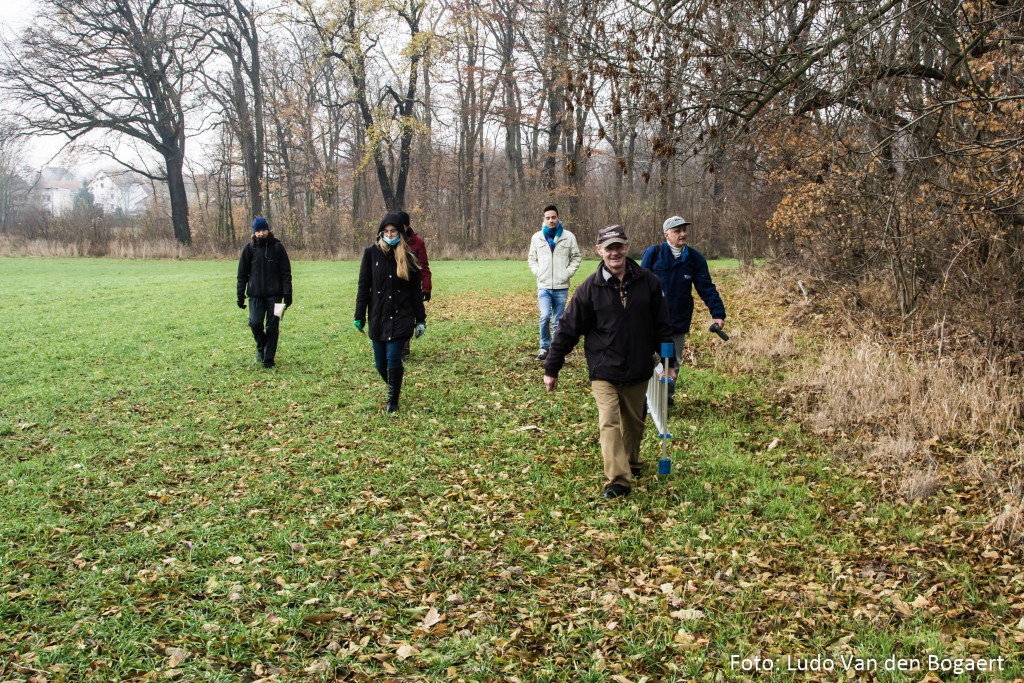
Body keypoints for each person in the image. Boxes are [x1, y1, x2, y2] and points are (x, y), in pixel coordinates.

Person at [544, 225, 676, 499]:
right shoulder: (589, 289)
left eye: (619, 246)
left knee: (634, 423)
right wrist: (552, 368)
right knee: (609, 422)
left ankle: (631, 462)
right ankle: (618, 481)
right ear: (599, 250)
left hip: (639, 367)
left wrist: (669, 362)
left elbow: (662, 326)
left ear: (627, 247)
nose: (614, 252)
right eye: (609, 247)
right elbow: (567, 329)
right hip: (603, 368)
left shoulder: (648, 282)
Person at [640, 215, 726, 404]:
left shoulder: (694, 258)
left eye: (684, 230)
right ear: (666, 235)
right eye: (677, 231)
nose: (683, 234)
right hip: (650, 319)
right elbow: (639, 284)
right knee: (649, 358)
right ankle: (646, 399)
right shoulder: (653, 254)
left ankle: (665, 399)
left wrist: (717, 314)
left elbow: (706, 288)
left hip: (677, 319)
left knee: (672, 360)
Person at [354, 213, 427, 413]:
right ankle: (395, 385)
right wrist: (359, 315)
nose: (389, 234)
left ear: (400, 233)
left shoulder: (409, 257)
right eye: (385, 231)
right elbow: (363, 287)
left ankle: (392, 402)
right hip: (378, 315)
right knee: (380, 364)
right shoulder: (371, 254)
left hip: (402, 315)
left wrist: (421, 320)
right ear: (380, 233)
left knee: (394, 357)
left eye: (393, 231)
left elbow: (415, 292)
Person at [528, 204, 582, 361]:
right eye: (548, 218)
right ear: (544, 219)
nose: (551, 220)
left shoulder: (569, 237)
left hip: (561, 286)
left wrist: (567, 273)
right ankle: (544, 347)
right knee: (544, 316)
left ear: (558, 217)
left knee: (558, 321)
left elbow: (576, 257)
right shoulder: (537, 237)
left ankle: (555, 349)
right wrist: (538, 272)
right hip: (543, 286)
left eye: (553, 217)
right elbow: (532, 258)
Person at [237, 216, 292, 369]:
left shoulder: (278, 248)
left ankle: (268, 359)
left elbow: (286, 273)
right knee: (255, 323)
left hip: (276, 296)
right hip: (255, 295)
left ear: (268, 230)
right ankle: (261, 347)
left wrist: (288, 294)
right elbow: (242, 274)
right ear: (254, 232)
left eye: (263, 230)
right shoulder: (249, 249)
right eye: (258, 231)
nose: (261, 233)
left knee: (273, 327)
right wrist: (240, 295)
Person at [396, 210, 431, 360]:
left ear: (406, 225)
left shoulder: (417, 242)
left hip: (411, 286)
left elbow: (424, 266)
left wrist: (426, 287)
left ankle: (404, 348)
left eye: (401, 225)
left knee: (407, 316)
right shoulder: (390, 239)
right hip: (394, 285)